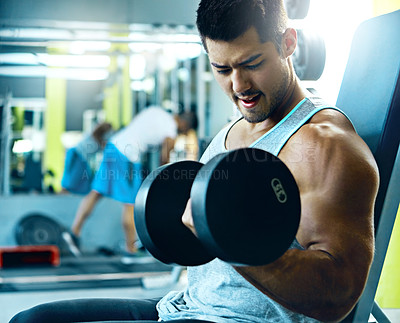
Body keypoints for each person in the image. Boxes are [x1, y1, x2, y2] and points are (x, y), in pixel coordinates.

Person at [9, 0, 379, 322]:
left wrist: (227, 239)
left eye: (252, 63)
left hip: (238, 319)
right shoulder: (233, 129)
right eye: (222, 69)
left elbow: (338, 294)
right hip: (185, 306)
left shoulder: (324, 146)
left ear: (288, 43)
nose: (239, 85)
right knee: (32, 318)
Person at [71, 106, 197, 255]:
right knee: (131, 202)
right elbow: (164, 160)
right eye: (185, 132)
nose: (182, 134)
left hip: (114, 146)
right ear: (184, 125)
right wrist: (164, 184)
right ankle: (130, 249)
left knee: (96, 192)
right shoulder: (170, 130)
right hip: (128, 156)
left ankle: (74, 232)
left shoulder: (156, 111)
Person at [61, 122, 113, 195]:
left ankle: (67, 191)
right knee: (74, 177)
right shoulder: (95, 136)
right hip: (77, 155)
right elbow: (104, 145)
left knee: (82, 178)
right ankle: (64, 191)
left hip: (80, 156)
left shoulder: (99, 137)